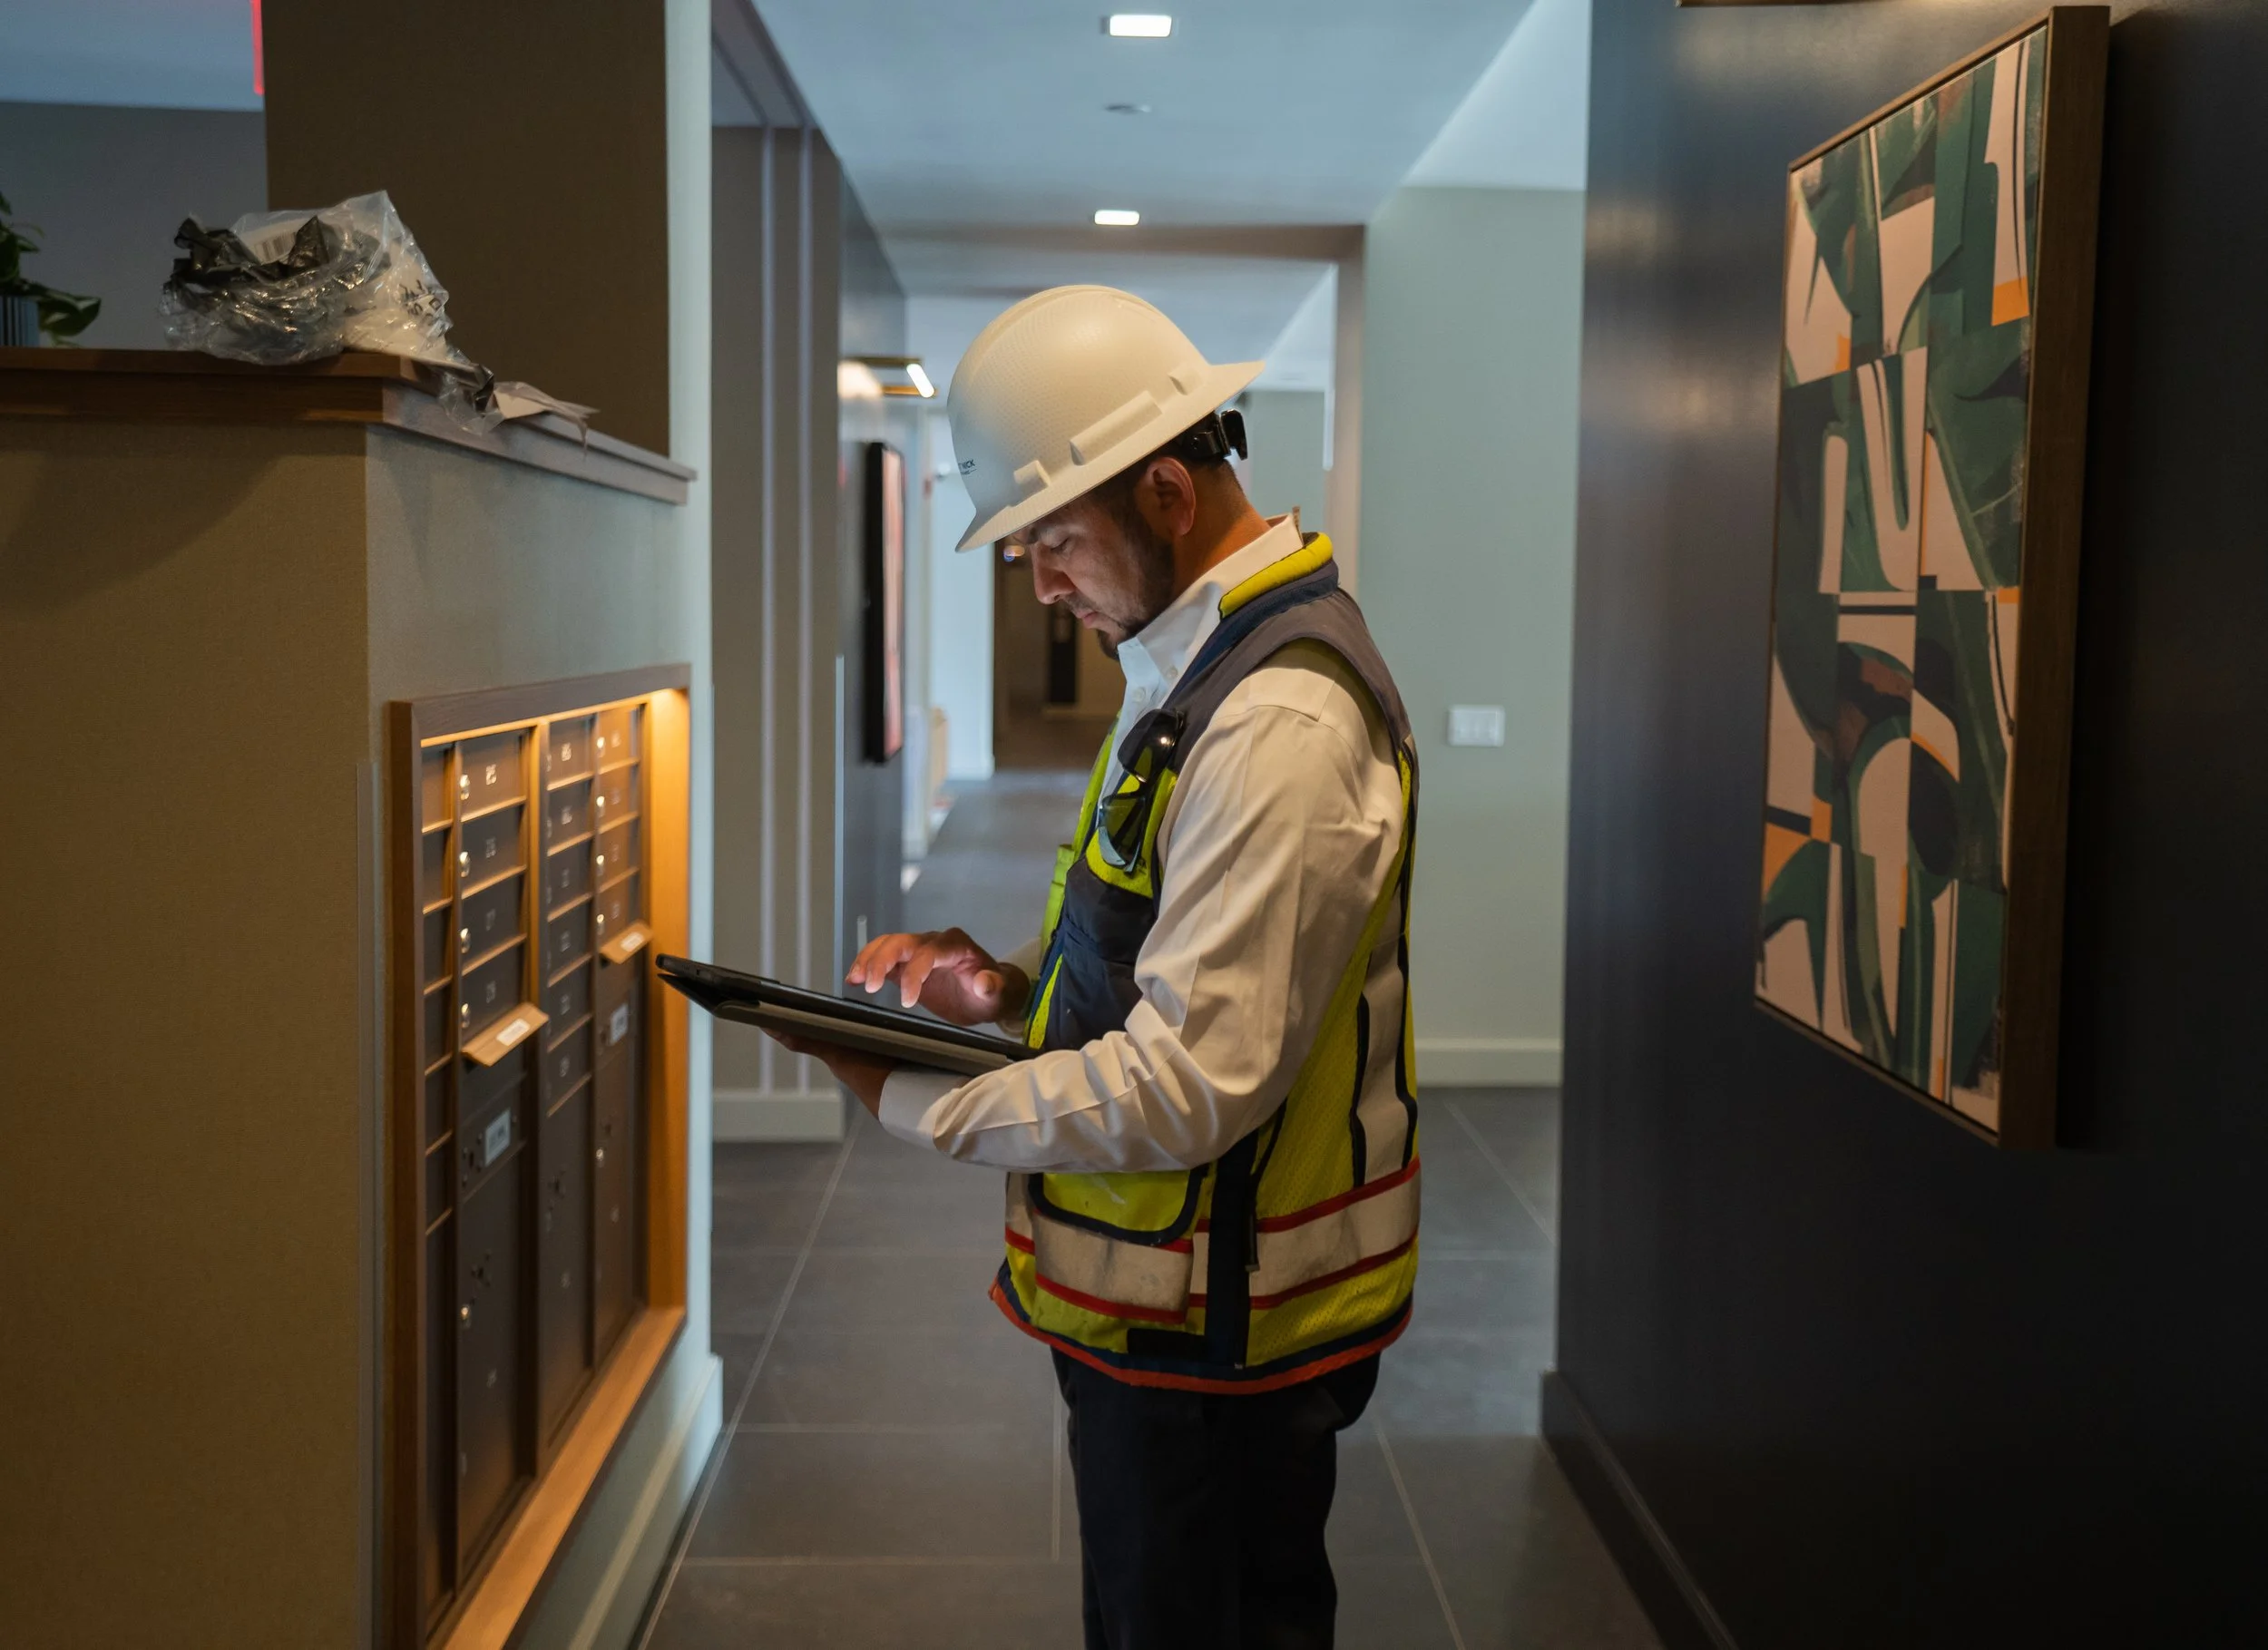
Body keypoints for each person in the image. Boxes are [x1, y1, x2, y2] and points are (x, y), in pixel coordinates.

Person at [772, 284, 1421, 1650]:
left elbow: (1195, 1079)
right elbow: (1155, 939)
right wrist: (1002, 990)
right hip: (1172, 1315)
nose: (1041, 583)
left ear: (1171, 496)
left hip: (1221, 1340)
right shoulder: (1188, 669)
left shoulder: (1276, 720)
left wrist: (905, 1093)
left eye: (1055, 540)